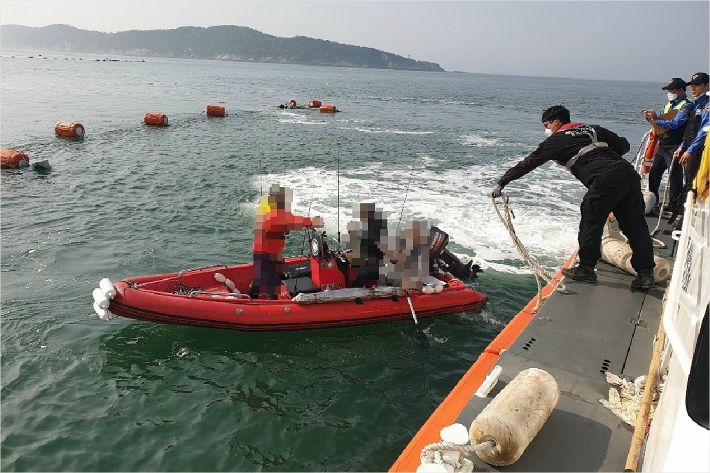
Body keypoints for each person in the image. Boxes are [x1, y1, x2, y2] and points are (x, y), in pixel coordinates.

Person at [492, 105, 655, 292]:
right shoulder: (594, 129)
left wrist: (502, 182)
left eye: (547, 125)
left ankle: (586, 268)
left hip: (605, 178)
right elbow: (624, 145)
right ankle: (645, 275)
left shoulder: (556, 140)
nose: (547, 129)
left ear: (556, 122)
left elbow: (528, 163)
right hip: (627, 172)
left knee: (591, 216)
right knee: (634, 224)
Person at [249, 184, 323, 299]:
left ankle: (252, 297)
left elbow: (289, 219)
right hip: (265, 255)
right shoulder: (274, 215)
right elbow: (292, 221)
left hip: (266, 252)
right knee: (271, 286)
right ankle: (269, 307)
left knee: (259, 280)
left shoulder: (270, 210)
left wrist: (308, 223)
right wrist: (311, 222)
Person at [644, 78, 695, 214]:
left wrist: (657, 122)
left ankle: (674, 205)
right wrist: (652, 115)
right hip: (663, 144)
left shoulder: (687, 105)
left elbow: (676, 123)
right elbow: (660, 115)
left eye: (671, 90)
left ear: (680, 90)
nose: (669, 93)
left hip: (676, 145)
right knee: (654, 172)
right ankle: (654, 201)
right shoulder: (669, 104)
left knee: (674, 175)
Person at [676, 73, 710, 189]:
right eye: (692, 85)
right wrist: (682, 146)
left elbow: (704, 130)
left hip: (699, 149)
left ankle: (686, 205)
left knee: (691, 182)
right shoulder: (695, 104)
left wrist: (690, 150)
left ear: (707, 86)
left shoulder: (707, 105)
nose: (693, 88)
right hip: (690, 147)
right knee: (688, 179)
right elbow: (691, 128)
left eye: (697, 85)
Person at [346, 202, 388, 287]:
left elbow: (365, 254)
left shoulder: (369, 234)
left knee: (356, 268)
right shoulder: (374, 229)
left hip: (373, 267)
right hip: (377, 262)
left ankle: (354, 289)